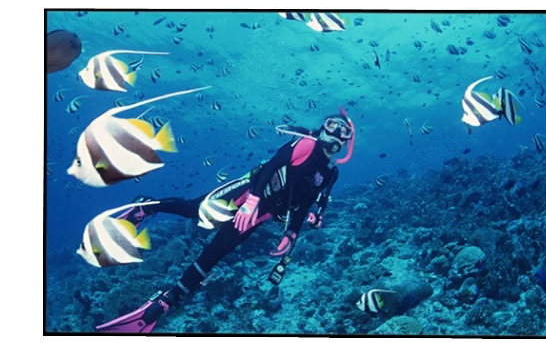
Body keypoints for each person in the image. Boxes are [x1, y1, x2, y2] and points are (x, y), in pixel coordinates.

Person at [95, 107, 356, 333]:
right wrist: (251, 200)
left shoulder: (330, 173)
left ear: (347, 141)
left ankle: (168, 301)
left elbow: (305, 205)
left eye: (344, 132)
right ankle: (146, 207)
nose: (336, 134)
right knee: (195, 210)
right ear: (323, 126)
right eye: (333, 126)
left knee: (216, 252)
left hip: (262, 214)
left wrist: (291, 234)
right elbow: (270, 168)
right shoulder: (307, 145)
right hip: (246, 192)